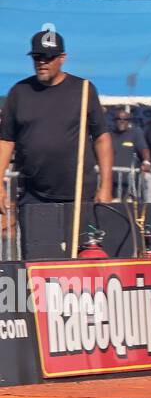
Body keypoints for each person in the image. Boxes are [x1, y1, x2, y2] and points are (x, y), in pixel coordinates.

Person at [0, 30, 114, 246]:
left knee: (80, 265)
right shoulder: (19, 92)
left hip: (79, 193)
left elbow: (102, 138)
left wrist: (106, 185)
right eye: (37, 57)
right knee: (38, 261)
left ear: (62, 58)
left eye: (48, 57)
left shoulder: (83, 89)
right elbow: (5, 141)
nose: (42, 62)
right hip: (34, 193)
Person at [108, 107, 151, 198]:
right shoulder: (108, 134)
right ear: (114, 120)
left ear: (129, 121)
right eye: (119, 119)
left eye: (125, 119)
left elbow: (143, 149)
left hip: (129, 182)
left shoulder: (135, 132)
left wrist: (146, 161)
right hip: (109, 181)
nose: (122, 121)